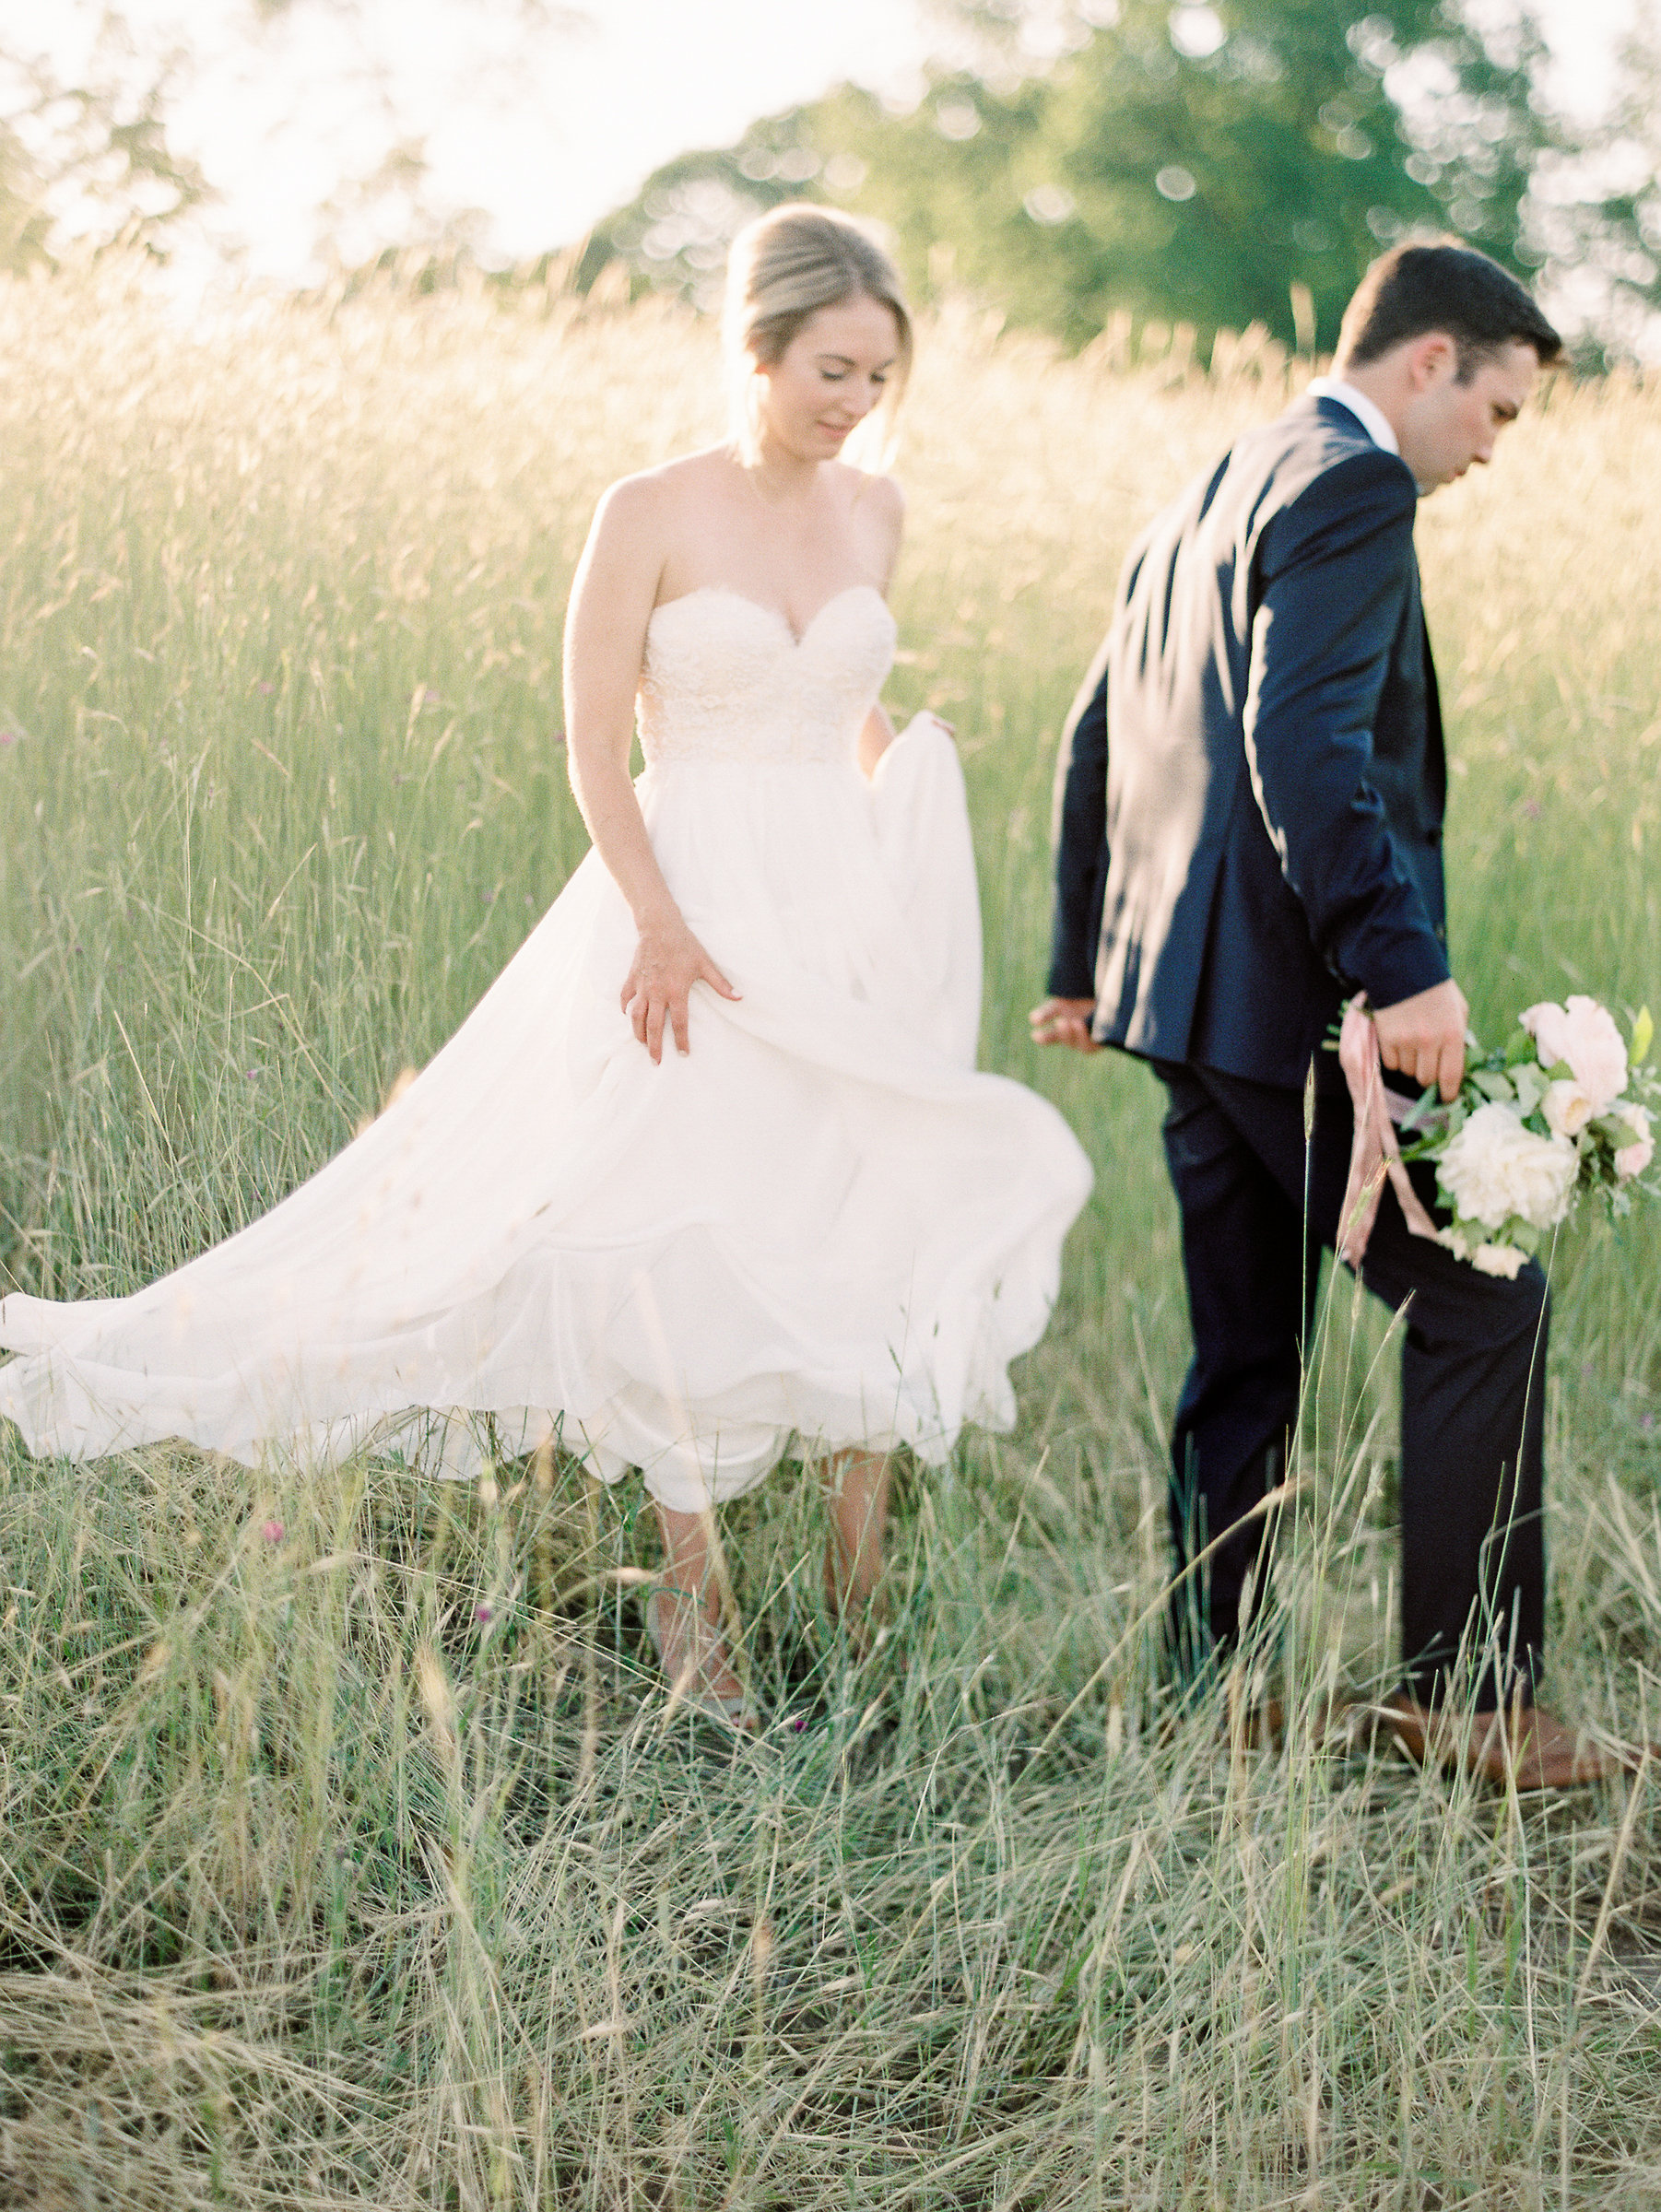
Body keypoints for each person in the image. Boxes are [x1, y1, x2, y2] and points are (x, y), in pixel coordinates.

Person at [0, 204, 1092, 1727]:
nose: (855, 406)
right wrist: (657, 920)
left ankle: (858, 1608)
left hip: (835, 908)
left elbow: (845, 708)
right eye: (833, 371)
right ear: (759, 349)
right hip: (685, 899)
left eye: (877, 380)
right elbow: (591, 745)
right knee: (677, 1222)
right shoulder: (647, 507)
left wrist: (904, 780)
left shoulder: (876, 515)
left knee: (849, 1211)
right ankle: (690, 1621)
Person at [1031, 239, 1625, 1788]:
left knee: (1245, 1349)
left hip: (1178, 997)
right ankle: (1469, 1699)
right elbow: (1306, 749)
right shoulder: (1351, 483)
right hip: (1291, 1001)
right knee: (1479, 1301)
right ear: (1427, 362)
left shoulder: (1208, 487)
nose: (1490, 454)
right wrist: (1398, 966)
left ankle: (1206, 1686)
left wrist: (1080, 959)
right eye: (1496, 413)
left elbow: (1093, 734)